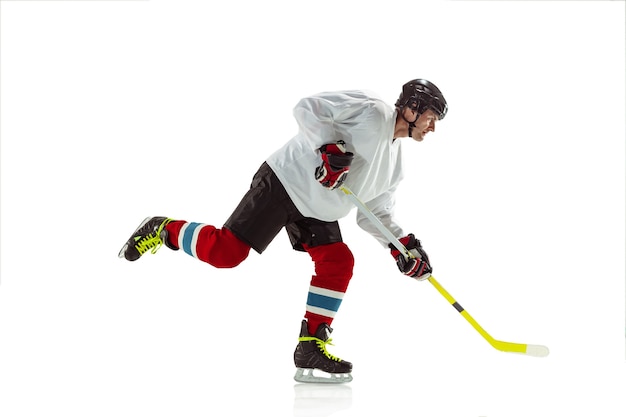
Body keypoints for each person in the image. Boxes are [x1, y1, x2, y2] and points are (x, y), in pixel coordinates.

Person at [118, 79, 448, 383]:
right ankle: (163, 229)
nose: (433, 128)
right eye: (431, 117)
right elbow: (308, 107)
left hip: (317, 208)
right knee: (226, 254)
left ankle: (310, 346)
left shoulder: (396, 165)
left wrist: (402, 247)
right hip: (285, 181)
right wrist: (327, 147)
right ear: (411, 108)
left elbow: (374, 213)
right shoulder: (373, 110)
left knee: (338, 261)